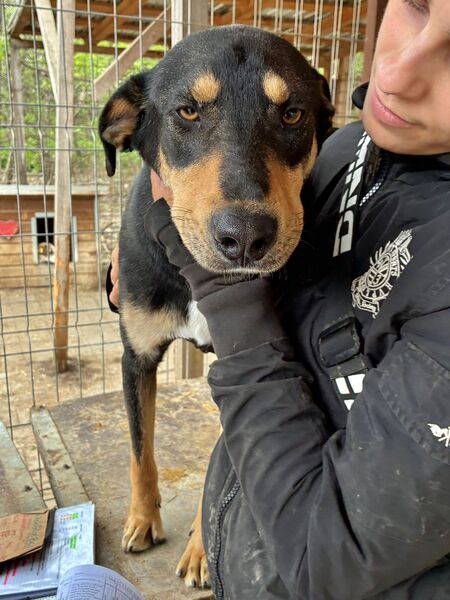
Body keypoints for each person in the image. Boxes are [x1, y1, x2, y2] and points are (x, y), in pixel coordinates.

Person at [108, 0, 450, 597]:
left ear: (310, 119)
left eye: (289, 115)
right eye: (418, 5)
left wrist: (220, 289)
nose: (395, 75)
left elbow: (326, 560)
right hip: (239, 518)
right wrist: (141, 249)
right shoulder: (345, 151)